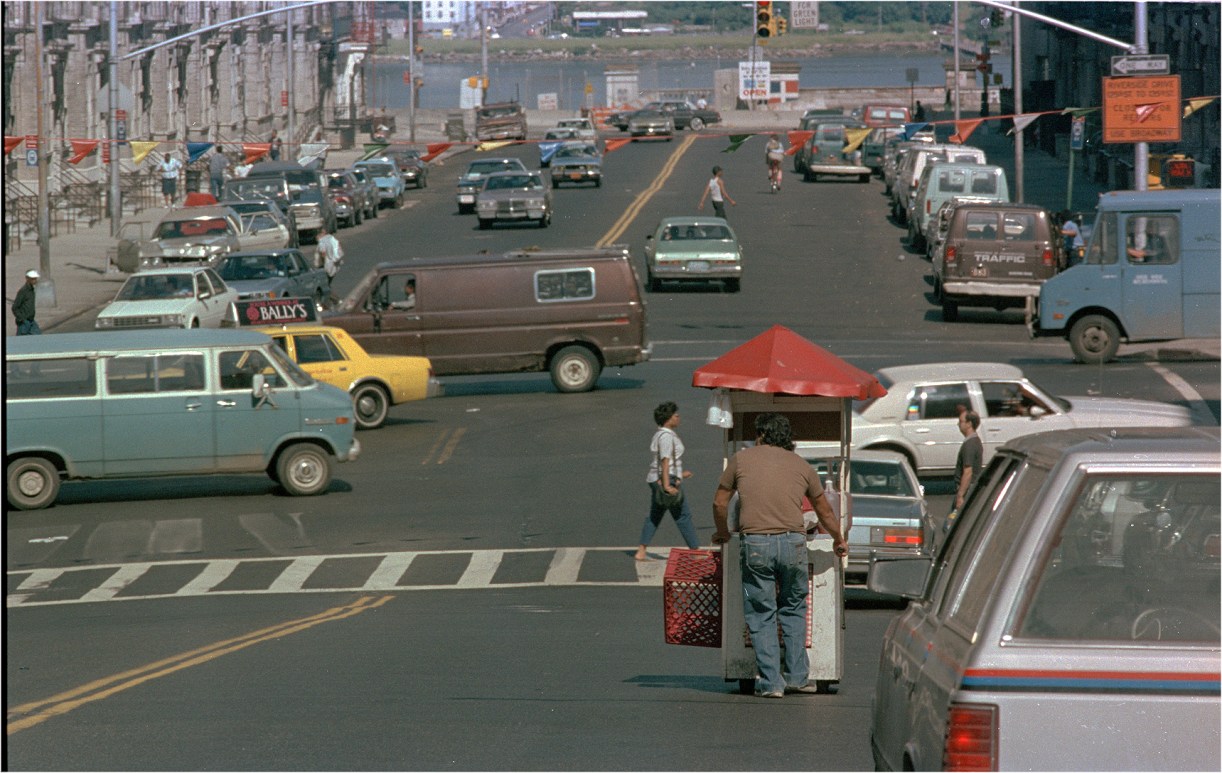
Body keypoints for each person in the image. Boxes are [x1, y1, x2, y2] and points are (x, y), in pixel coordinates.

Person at [712, 413, 848, 699]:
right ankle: (798, 677)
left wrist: (722, 532)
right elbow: (824, 510)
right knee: (794, 608)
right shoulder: (801, 465)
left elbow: (720, 502)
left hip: (756, 544)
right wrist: (838, 539)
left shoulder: (741, 459)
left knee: (762, 614)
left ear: (760, 435)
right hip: (793, 543)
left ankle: (772, 683)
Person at [636, 402, 699, 561]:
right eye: (676, 415)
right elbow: (665, 461)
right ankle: (695, 551)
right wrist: (667, 485)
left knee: (655, 515)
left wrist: (680, 474)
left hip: (660, 478)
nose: (679, 418)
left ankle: (641, 550)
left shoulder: (660, 434)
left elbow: (666, 462)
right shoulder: (666, 437)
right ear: (668, 419)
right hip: (665, 480)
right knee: (683, 515)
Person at [949, 410, 983, 530]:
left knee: (952, 527)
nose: (958, 424)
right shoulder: (974, 441)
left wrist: (960, 496)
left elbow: (968, 471)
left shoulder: (970, 444)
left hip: (966, 491)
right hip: (967, 490)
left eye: (961, 421)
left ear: (969, 424)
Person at [13, 269, 41, 335]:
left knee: (39, 337)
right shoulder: (23, 291)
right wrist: (22, 319)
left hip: (31, 320)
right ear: (27, 279)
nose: (35, 280)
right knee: (21, 341)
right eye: (33, 279)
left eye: (35, 278)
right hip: (24, 322)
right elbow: (15, 307)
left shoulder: (32, 290)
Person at [316, 226, 344, 291]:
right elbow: (340, 252)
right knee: (329, 282)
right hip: (335, 264)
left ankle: (335, 299)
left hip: (327, 265)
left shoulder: (322, 241)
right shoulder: (333, 239)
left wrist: (321, 264)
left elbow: (323, 253)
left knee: (325, 285)